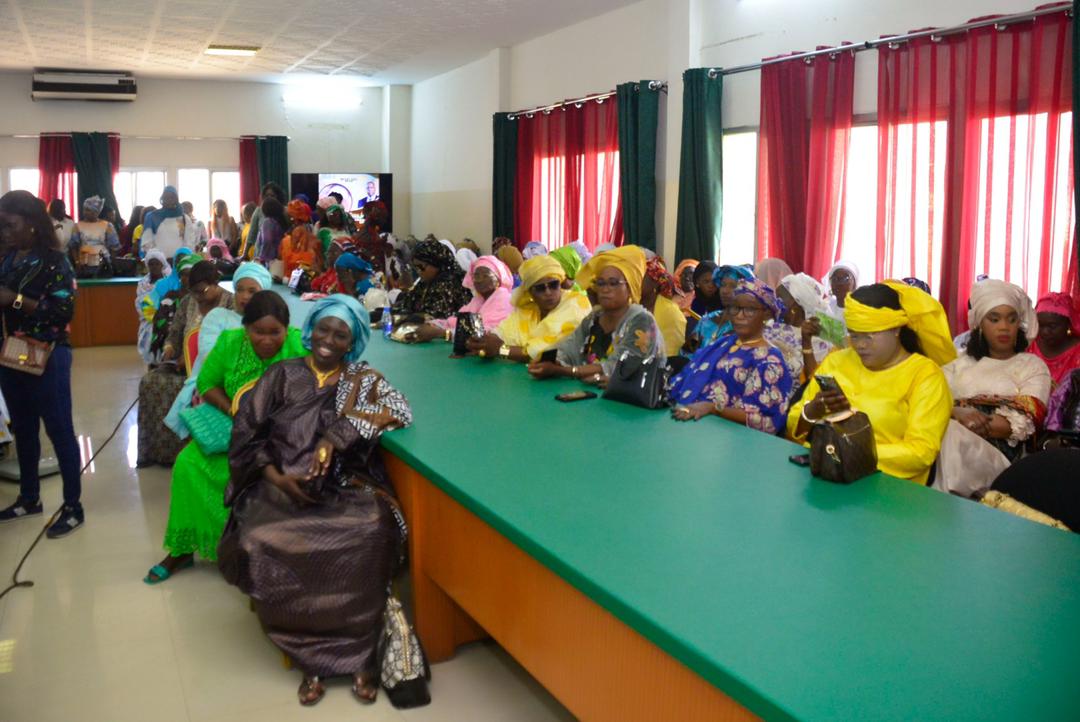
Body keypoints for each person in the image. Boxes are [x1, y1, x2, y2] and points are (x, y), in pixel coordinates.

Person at [218, 295, 412, 706]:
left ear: (353, 341)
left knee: (373, 528)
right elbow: (247, 434)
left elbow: (400, 409)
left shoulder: (361, 379)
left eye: (340, 335)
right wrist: (275, 477)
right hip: (276, 486)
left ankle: (361, 657)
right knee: (260, 538)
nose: (328, 340)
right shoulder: (281, 374)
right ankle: (312, 661)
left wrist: (335, 436)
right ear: (310, 330)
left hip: (342, 486)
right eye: (323, 329)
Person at [143, 290, 309, 584]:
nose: (267, 340)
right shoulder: (230, 343)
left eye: (275, 332)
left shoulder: (298, 347)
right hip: (234, 428)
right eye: (258, 332)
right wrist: (233, 410)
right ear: (245, 328)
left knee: (267, 475)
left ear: (287, 329)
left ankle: (256, 552)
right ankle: (183, 550)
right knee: (187, 464)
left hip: (280, 436)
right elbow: (207, 384)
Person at [787, 282, 955, 485]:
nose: (860, 345)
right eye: (854, 335)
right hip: (825, 474)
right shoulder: (836, 361)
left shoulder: (925, 376)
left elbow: (921, 453)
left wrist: (845, 451)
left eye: (869, 336)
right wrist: (810, 413)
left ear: (896, 329)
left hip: (889, 487)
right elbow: (795, 427)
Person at [0, 191, 83, 536]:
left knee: (59, 429)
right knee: (23, 428)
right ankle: (29, 498)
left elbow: (63, 312)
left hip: (50, 354)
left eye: (10, 225)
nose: (4, 232)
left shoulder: (54, 261)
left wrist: (16, 300)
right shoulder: (7, 259)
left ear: (33, 224)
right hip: (12, 354)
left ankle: (73, 507)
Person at [933, 280, 1051, 497]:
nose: (1004, 327)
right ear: (979, 324)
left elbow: (1023, 422)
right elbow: (929, 403)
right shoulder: (956, 365)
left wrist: (965, 421)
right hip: (947, 450)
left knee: (949, 433)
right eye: (994, 319)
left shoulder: (1032, 366)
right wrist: (957, 412)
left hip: (1005, 460)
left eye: (1012, 319)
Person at [137, 259, 233, 467]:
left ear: (216, 282)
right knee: (149, 383)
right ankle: (161, 453)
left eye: (202, 291)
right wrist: (170, 348)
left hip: (218, 368)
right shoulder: (189, 301)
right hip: (184, 363)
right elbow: (175, 332)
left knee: (194, 390)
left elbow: (231, 344)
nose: (198, 297)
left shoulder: (230, 303)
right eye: (194, 291)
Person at [163, 262, 274, 438]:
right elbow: (210, 359)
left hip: (254, 389)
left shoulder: (269, 324)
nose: (244, 296)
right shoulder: (219, 317)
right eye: (239, 290)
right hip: (215, 386)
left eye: (252, 291)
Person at [670, 277, 795, 433]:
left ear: (766, 314)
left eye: (749, 309)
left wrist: (713, 408)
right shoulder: (724, 343)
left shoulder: (769, 360)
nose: (740, 315)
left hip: (732, 437)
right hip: (696, 424)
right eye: (735, 308)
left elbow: (767, 421)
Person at [529, 246, 664, 386]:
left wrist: (563, 370)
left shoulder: (641, 320)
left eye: (613, 283)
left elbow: (617, 367)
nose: (605, 289)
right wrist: (550, 360)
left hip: (627, 398)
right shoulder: (595, 317)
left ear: (630, 287)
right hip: (589, 393)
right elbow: (569, 347)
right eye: (600, 283)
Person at [469, 255, 592, 362]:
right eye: (540, 288)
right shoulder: (529, 309)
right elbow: (502, 333)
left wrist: (501, 350)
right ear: (530, 293)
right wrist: (483, 343)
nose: (548, 292)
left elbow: (543, 354)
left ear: (560, 284)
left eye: (554, 285)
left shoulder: (576, 305)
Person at [409, 255, 514, 343]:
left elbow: (485, 333)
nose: (479, 280)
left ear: (498, 280)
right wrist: (433, 325)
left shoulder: (504, 300)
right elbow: (455, 322)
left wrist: (441, 333)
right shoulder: (477, 301)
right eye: (476, 276)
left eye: (485, 276)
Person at [771, 273, 835, 382]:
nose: (775, 305)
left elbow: (815, 380)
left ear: (794, 308)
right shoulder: (774, 329)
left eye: (779, 301)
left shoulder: (818, 341)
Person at [392, 239, 472, 319]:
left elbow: (433, 317)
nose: (418, 271)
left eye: (421, 266)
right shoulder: (427, 281)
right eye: (416, 267)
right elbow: (409, 302)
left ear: (435, 263)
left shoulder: (449, 284)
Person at [693, 264, 754, 349]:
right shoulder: (706, 320)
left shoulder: (746, 325)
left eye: (733, 286)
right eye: (723, 285)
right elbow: (687, 351)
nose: (725, 291)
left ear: (747, 291)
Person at [1029, 292, 1080, 388]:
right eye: (1040, 325)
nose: (1044, 332)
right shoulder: (1030, 344)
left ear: (1068, 324)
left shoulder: (1077, 353)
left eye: (1052, 326)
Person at [641, 256, 686, 357]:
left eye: (641, 277)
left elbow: (671, 355)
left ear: (655, 283)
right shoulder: (630, 304)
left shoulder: (671, 313)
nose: (635, 280)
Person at [141, 186, 197, 258]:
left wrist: (180, 258)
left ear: (176, 199)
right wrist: (159, 259)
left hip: (179, 261)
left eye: (172, 197)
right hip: (158, 262)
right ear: (162, 199)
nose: (169, 200)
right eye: (166, 197)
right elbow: (146, 242)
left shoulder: (184, 218)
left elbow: (189, 242)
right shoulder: (152, 217)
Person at [136, 249, 170, 364]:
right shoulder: (142, 284)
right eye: (151, 264)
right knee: (149, 341)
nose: (154, 267)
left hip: (166, 318)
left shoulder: (168, 282)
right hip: (149, 320)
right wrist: (154, 317)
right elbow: (140, 302)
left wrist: (163, 318)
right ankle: (151, 365)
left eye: (157, 264)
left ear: (162, 265)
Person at [69, 195, 120, 271]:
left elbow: (114, 246)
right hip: (84, 265)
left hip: (103, 264)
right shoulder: (77, 226)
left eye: (88, 210)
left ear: (96, 212)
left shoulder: (107, 226)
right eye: (84, 209)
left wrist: (110, 262)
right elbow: (73, 246)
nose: (85, 212)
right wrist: (77, 262)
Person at [255, 196, 288, 265]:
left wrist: (262, 258)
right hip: (276, 259)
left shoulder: (268, 222)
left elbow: (267, 240)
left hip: (268, 261)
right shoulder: (278, 222)